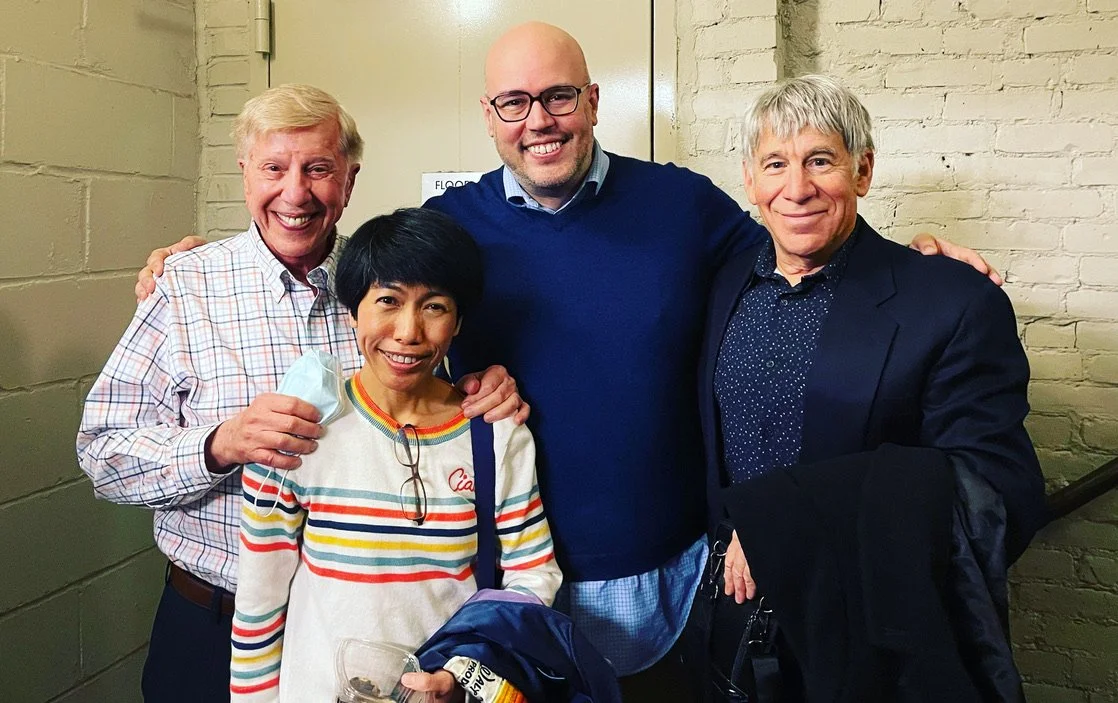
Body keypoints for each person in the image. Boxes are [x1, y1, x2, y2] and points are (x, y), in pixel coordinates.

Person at [136, 23, 1000, 699]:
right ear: (488, 116)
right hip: (502, 594)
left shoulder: (683, 204)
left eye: (557, 97)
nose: (537, 120)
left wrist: (907, 262)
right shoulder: (453, 223)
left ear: (592, 100)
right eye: (512, 102)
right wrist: (212, 262)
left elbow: (796, 255)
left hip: (677, 581)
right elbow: (364, 297)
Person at [77, 85, 522, 703]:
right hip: (212, 618)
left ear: (349, 179)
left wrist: (487, 383)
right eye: (274, 168)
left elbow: (450, 399)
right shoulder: (184, 289)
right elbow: (102, 455)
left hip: (367, 638)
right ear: (244, 173)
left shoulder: (385, 293)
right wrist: (218, 444)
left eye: (318, 169)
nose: (295, 193)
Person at [698, 75, 1045, 699]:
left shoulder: (950, 301)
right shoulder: (721, 285)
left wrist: (784, 521)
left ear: (863, 170)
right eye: (775, 164)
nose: (797, 188)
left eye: (821, 161)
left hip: (871, 637)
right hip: (731, 623)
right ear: (750, 181)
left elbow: (999, 492)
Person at [230, 207, 561, 702]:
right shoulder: (297, 432)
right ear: (352, 310)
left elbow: (532, 575)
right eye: (387, 300)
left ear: (459, 321)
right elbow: (260, 601)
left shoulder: (495, 437)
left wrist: (462, 674)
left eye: (434, 307)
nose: (408, 332)